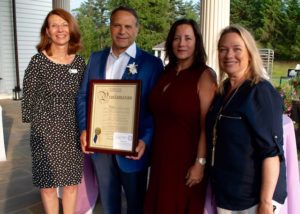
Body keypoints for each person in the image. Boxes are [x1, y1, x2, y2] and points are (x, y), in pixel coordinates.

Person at [76, 6, 164, 214]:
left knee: (136, 205)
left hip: (133, 149)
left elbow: (156, 108)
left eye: (127, 26)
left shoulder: (151, 64)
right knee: (108, 205)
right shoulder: (95, 59)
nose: (122, 31)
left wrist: (146, 139)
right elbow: (83, 96)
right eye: (117, 25)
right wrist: (83, 128)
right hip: (101, 148)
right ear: (110, 27)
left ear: (137, 29)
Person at [205, 25, 287, 214]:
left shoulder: (260, 91)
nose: (229, 55)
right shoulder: (223, 90)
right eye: (223, 49)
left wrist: (266, 203)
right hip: (226, 194)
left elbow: (271, 152)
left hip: (253, 199)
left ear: (249, 53)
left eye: (237, 49)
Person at [144, 19, 217, 214]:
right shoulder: (165, 73)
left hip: (187, 161)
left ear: (197, 42)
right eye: (176, 38)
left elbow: (206, 126)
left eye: (187, 38)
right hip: (161, 158)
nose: (181, 43)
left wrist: (200, 163)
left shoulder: (205, 76)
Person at [21, 8, 86, 214]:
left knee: (71, 185)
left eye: (64, 24)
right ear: (47, 32)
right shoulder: (37, 62)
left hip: (72, 133)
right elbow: (28, 101)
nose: (60, 29)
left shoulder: (79, 62)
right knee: (48, 188)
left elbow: (85, 98)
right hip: (45, 134)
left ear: (71, 29)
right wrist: (41, 125)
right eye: (54, 25)